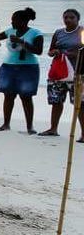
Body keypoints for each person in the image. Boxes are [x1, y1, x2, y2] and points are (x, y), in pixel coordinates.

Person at [0, 7, 44, 134]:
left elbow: (38, 51)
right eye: (11, 20)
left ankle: (30, 127)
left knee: (26, 97)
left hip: (28, 67)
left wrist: (21, 41)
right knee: (8, 96)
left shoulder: (36, 33)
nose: (12, 23)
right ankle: (6, 124)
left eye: (14, 20)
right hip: (8, 66)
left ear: (24, 21)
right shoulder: (10, 31)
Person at [39, 8, 83, 140]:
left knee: (80, 103)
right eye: (66, 17)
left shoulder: (82, 32)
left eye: (71, 17)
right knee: (56, 101)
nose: (68, 20)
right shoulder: (58, 32)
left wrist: (67, 53)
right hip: (58, 71)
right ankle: (53, 128)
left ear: (77, 19)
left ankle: (83, 133)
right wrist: (54, 52)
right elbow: (50, 49)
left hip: (77, 72)